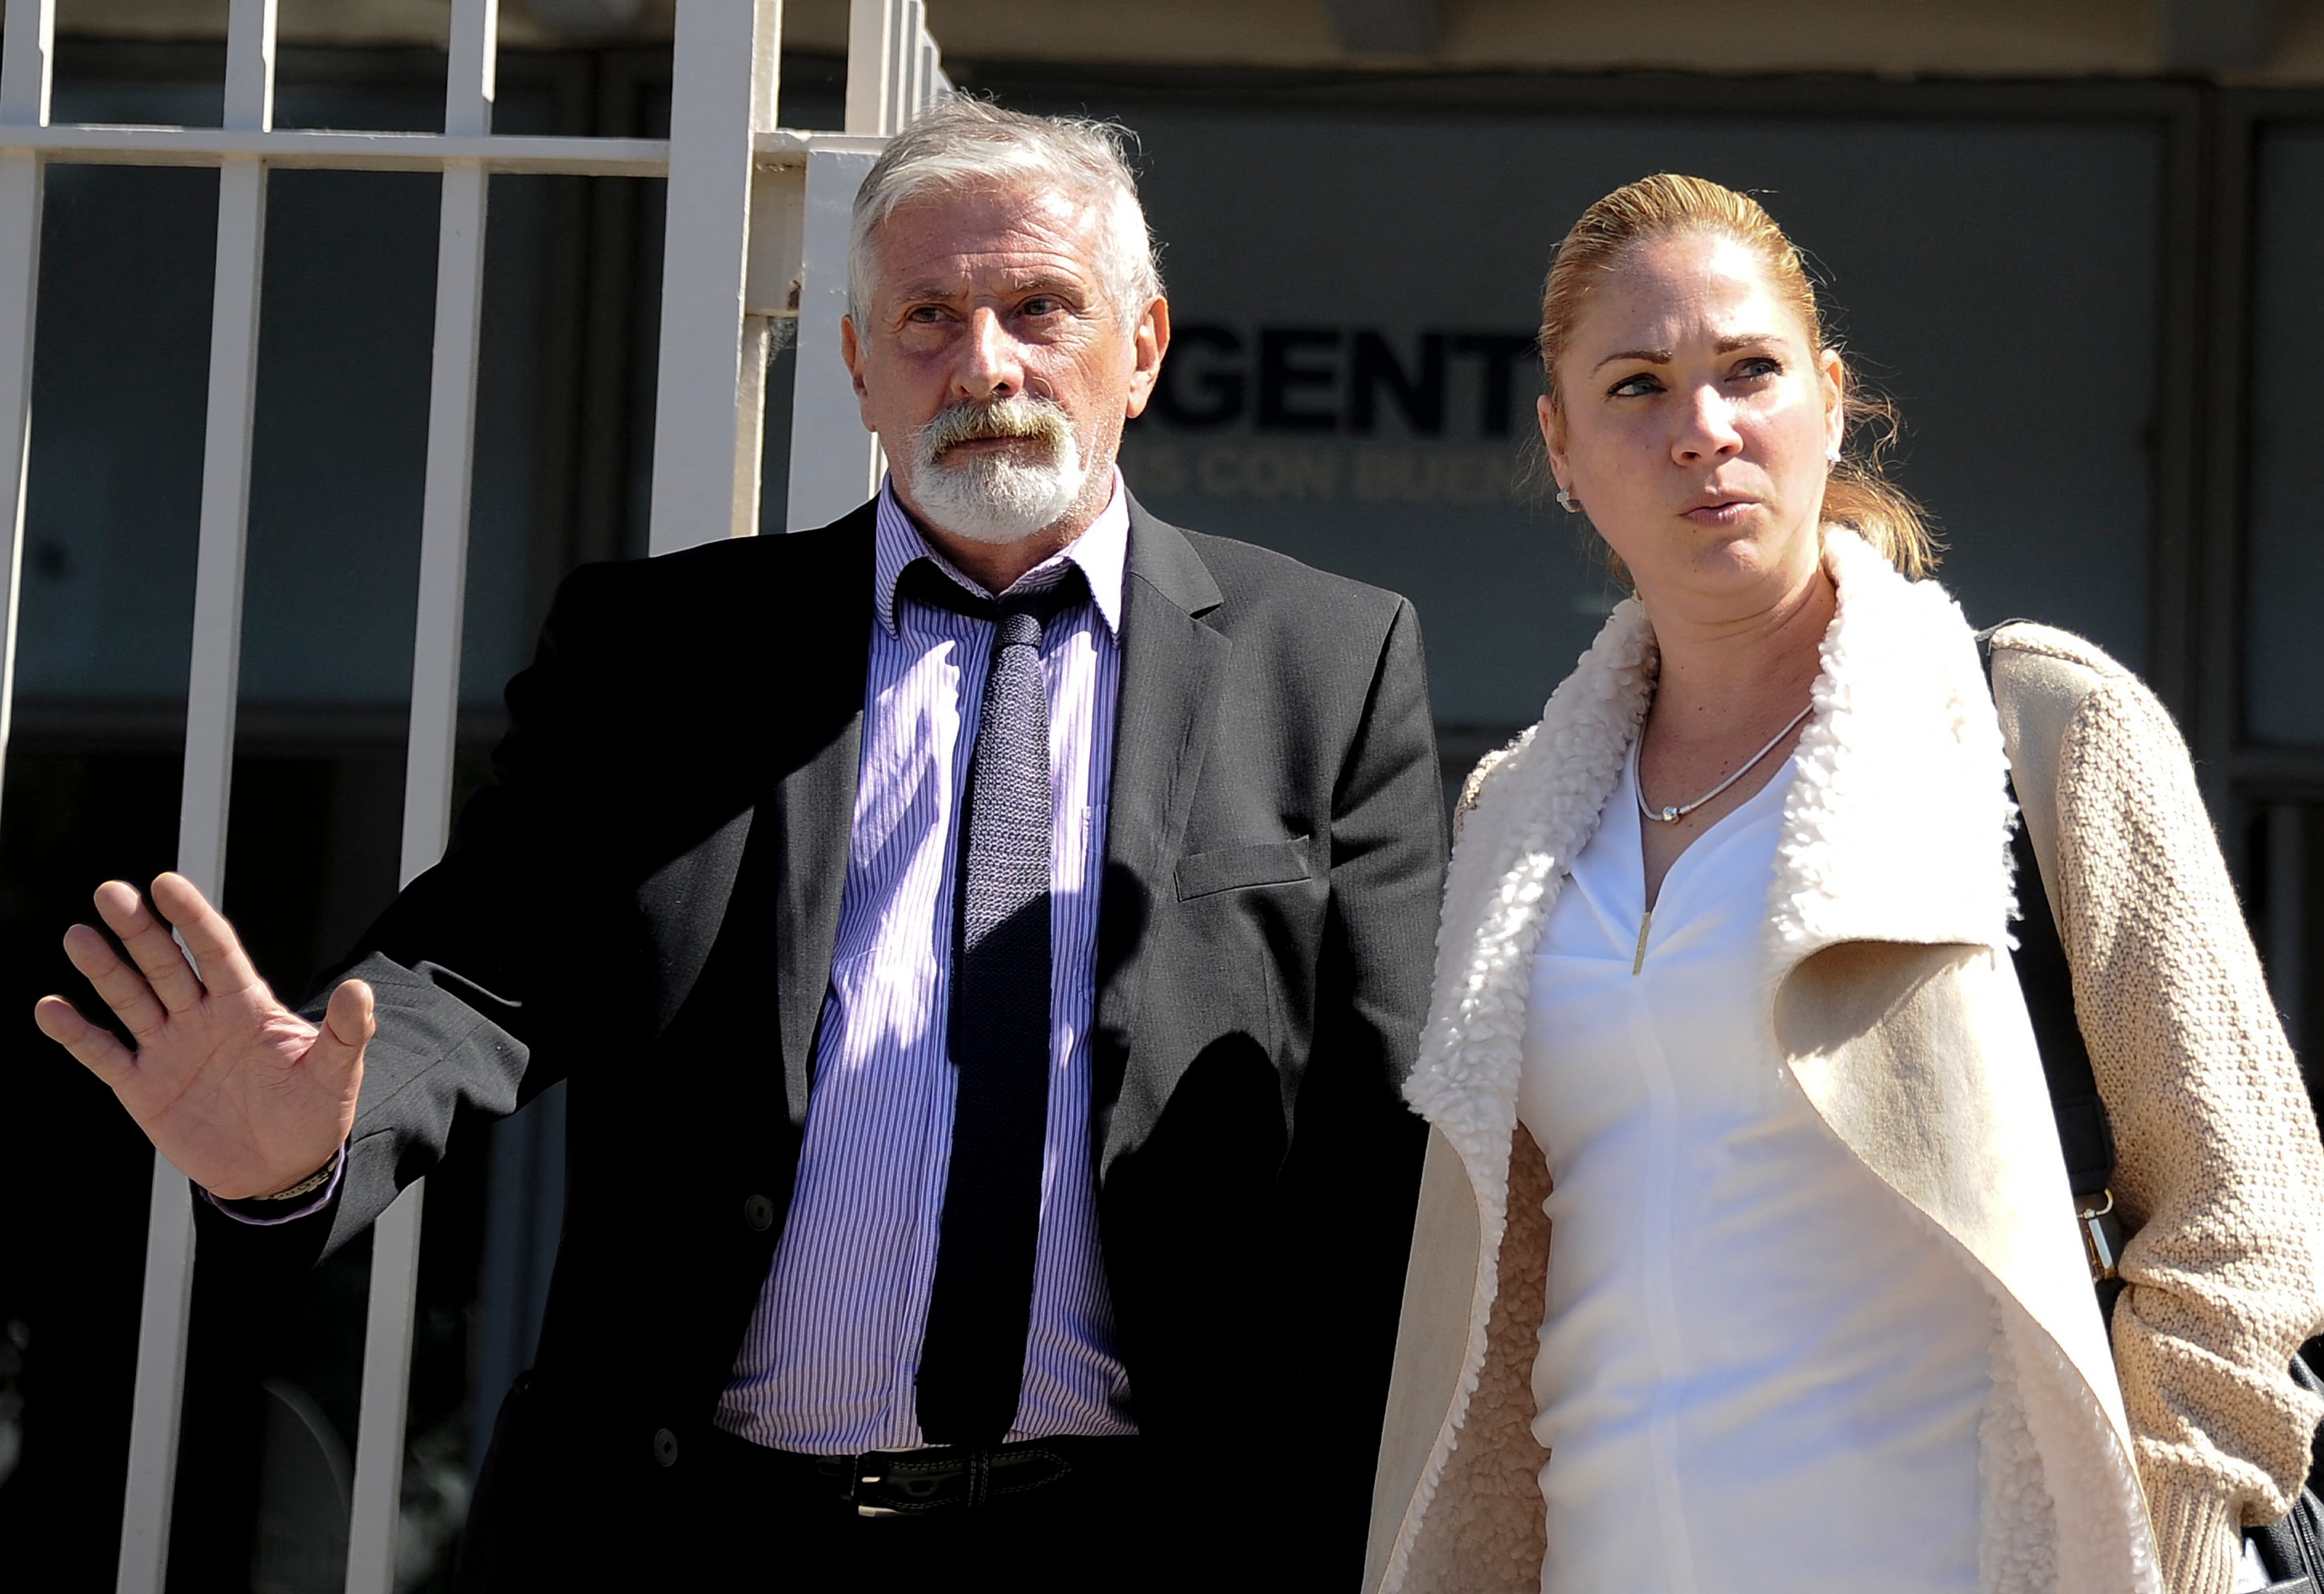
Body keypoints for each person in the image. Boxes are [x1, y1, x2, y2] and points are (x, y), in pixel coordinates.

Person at [37, 99, 1447, 1591]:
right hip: (695, 1533)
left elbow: (1388, 1134)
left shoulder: (1327, 663)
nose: (985, 363)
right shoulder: (665, 653)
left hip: (1149, 1539)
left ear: (1144, 345)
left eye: (1041, 307)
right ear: (856, 365)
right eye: (926, 317)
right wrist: (312, 1141)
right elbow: (482, 969)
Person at [1364, 175, 2324, 1594]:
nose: (1703, 429)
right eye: (1635, 386)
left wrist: (2180, 1555)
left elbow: (2241, 1221)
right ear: (1560, 448)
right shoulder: (1515, 815)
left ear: (1828, 398)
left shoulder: (2027, 729)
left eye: (1747, 369)